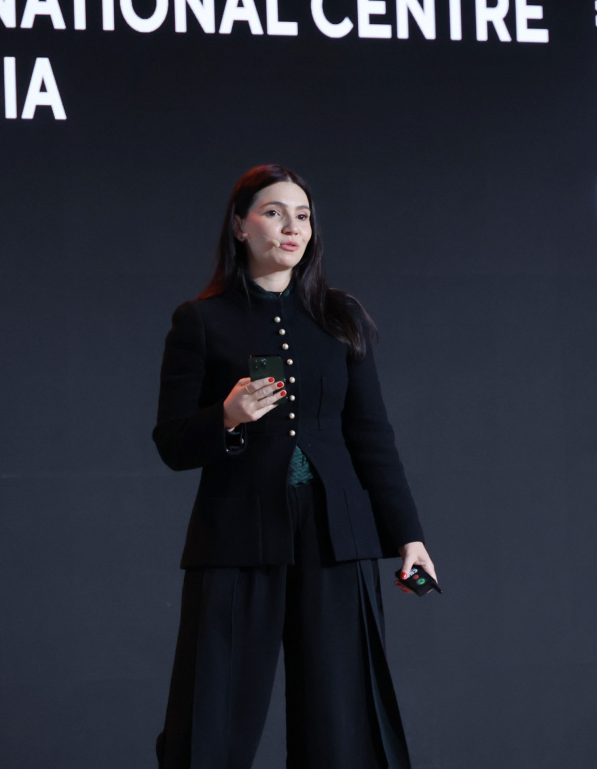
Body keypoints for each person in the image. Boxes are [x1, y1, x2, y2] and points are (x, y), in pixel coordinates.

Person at [152, 163, 436, 769]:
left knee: (343, 719)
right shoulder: (200, 320)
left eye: (302, 216)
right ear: (239, 226)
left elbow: (371, 436)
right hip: (236, 537)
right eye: (274, 212)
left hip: (336, 537)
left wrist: (408, 536)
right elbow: (172, 443)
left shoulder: (340, 317)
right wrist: (226, 417)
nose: (292, 227)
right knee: (211, 718)